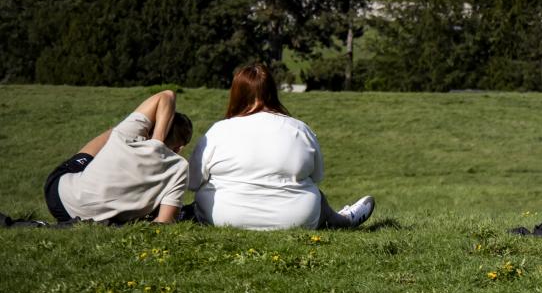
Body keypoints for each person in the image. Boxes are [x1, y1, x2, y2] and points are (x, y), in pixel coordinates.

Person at [188, 63, 375, 230]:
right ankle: (344, 220)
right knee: (319, 196)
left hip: (222, 217)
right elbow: (316, 176)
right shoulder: (300, 129)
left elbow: (194, 182)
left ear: (236, 94)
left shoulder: (218, 131)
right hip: (296, 218)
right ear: (273, 92)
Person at [44, 90, 192, 224]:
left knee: (114, 133)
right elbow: (165, 221)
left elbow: (167, 95)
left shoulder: (127, 136)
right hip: (98, 221)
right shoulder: (179, 167)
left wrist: (156, 140)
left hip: (61, 200)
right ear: (180, 148)